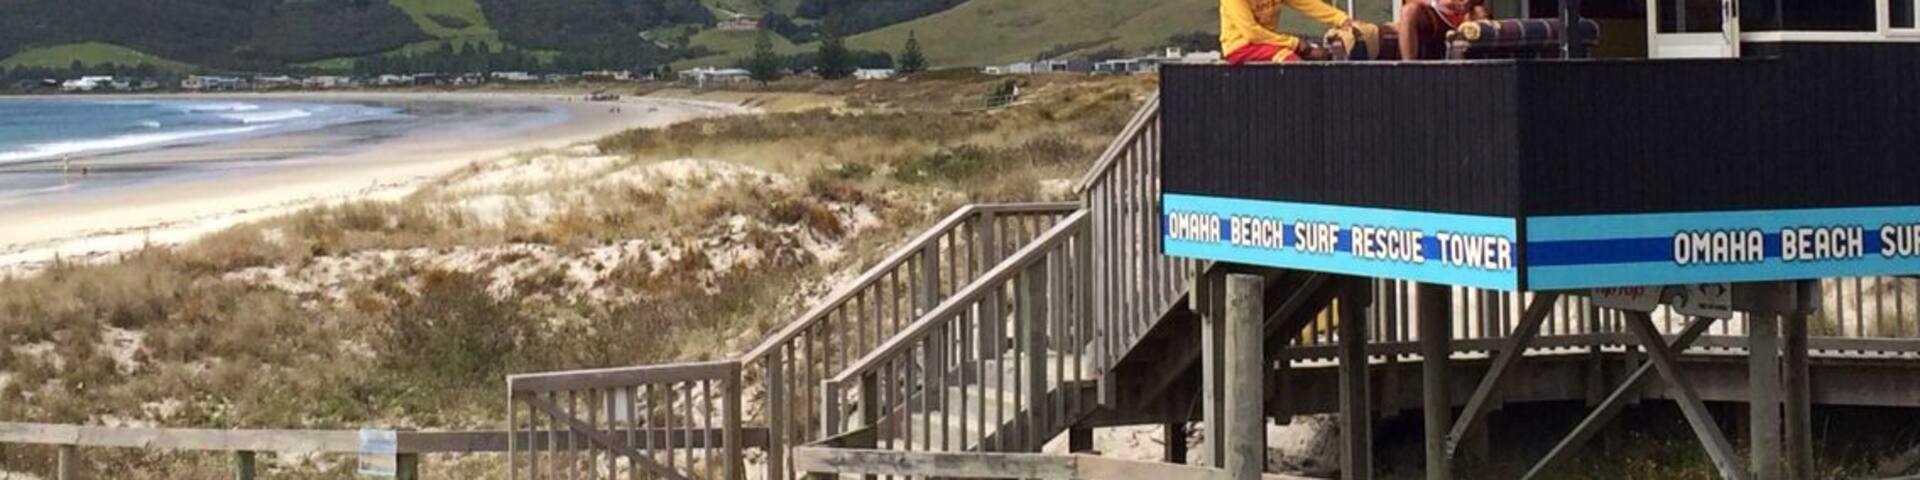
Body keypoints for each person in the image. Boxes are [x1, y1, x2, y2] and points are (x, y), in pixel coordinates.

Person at [1221, 0, 1355, 64]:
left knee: (1319, 56)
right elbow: (1251, 33)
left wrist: (1340, 18)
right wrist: (1295, 44)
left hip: (1268, 43)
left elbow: (1306, 3)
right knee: (1291, 62)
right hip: (1240, 47)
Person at [1398, 0, 1490, 60]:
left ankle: (1484, 74)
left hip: (1464, 14)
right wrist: (1436, 3)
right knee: (1408, 11)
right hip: (1434, 15)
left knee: (1480, 12)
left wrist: (1469, 2)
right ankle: (1409, 70)